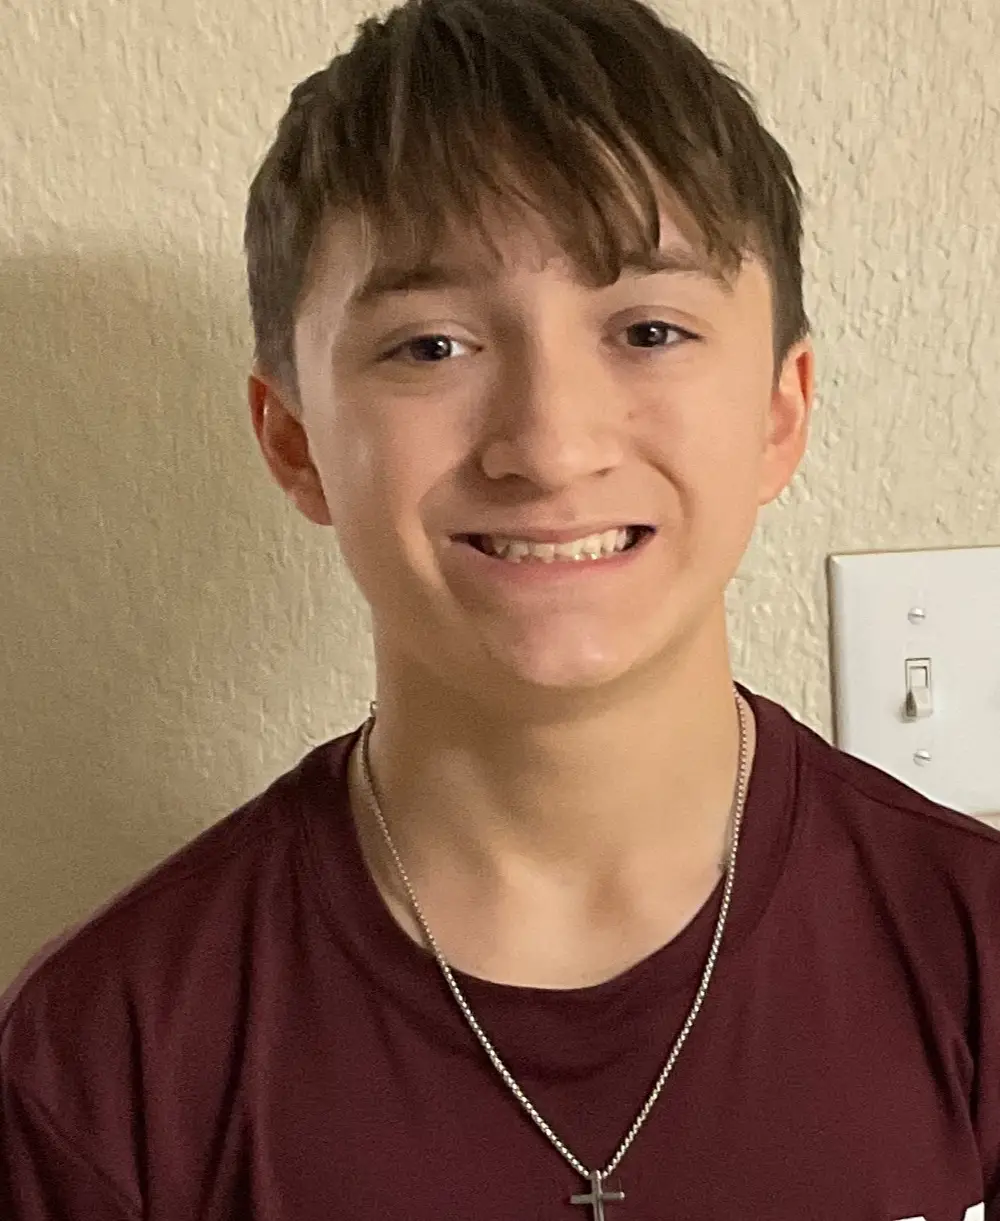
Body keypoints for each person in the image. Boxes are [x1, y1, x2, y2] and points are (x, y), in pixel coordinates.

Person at [2, 0, 998, 1215]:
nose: (550, 443)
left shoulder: (975, 956)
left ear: (779, 414)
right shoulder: (101, 1063)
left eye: (648, 329)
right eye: (429, 347)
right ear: (295, 441)